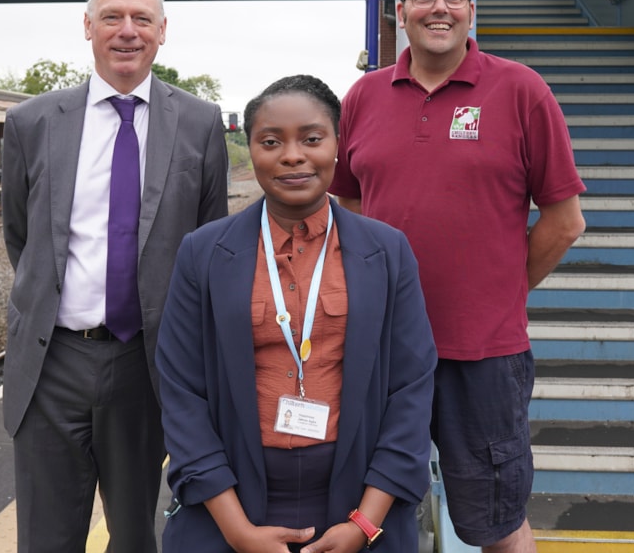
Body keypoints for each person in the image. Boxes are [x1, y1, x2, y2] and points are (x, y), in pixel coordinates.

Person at [329, 0, 587, 553]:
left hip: (484, 355)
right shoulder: (363, 97)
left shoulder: (521, 91)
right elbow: (351, 204)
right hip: (381, 347)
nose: (437, 8)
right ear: (402, 11)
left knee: (494, 522)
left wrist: (503, 289)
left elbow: (565, 220)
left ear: (471, 10)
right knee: (369, 514)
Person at [156, 75, 437, 553]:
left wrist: (364, 526)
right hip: (232, 501)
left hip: (357, 500)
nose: (292, 155)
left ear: (337, 145)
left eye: (311, 138)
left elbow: (411, 390)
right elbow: (182, 392)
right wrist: (238, 532)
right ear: (250, 149)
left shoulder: (387, 251)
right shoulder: (203, 253)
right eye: (271, 142)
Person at [1, 0, 230, 553]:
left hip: (145, 364)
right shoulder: (30, 123)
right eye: (111, 17)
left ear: (162, 31)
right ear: (87, 26)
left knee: (134, 536)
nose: (127, 31)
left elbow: (207, 246)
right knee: (47, 538)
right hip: (53, 363)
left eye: (141, 19)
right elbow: (21, 238)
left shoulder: (201, 124)